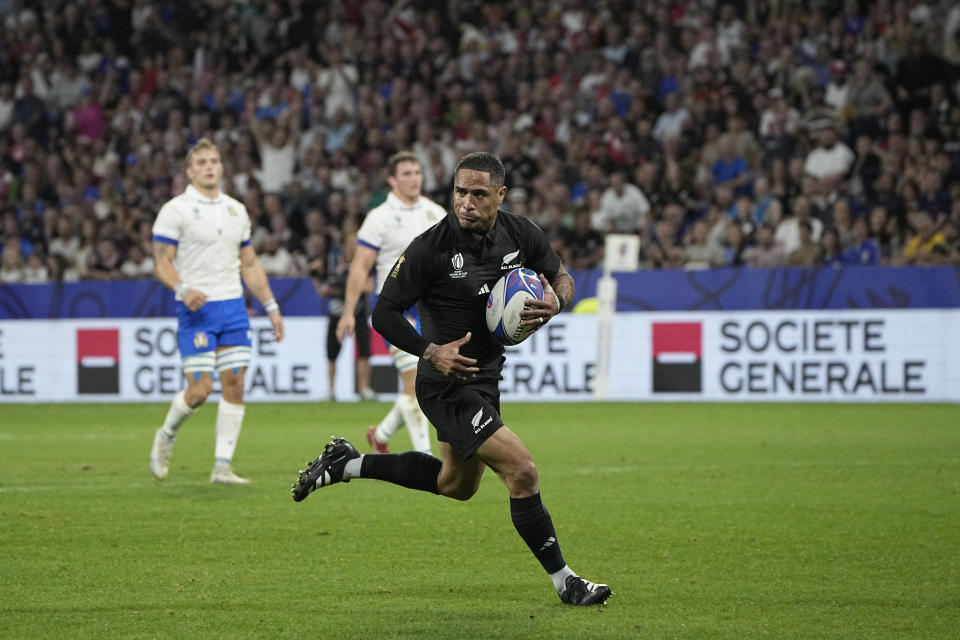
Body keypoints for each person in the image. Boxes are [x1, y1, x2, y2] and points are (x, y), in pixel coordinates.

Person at [292, 152, 612, 607]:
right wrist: (431, 351)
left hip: (485, 376)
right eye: (460, 192)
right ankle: (567, 582)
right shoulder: (431, 248)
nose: (466, 202)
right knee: (522, 471)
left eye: (478, 194)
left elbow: (561, 277)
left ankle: (346, 463)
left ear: (500, 196)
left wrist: (557, 302)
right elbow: (383, 313)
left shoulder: (521, 233)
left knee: (455, 485)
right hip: (444, 383)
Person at [149, 138, 285, 484]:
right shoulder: (175, 210)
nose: (210, 167)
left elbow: (250, 263)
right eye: (202, 163)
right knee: (199, 391)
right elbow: (161, 262)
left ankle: (222, 467)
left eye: (214, 161)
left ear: (221, 167)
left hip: (233, 308)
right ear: (190, 171)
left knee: (235, 384)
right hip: (197, 310)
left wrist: (271, 307)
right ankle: (165, 435)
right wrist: (182, 288)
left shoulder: (236, 210)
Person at [336, 151, 446, 454]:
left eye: (417, 172)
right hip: (396, 310)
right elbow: (360, 266)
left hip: (432, 310)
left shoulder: (436, 213)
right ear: (392, 180)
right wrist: (348, 312)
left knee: (428, 382)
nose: (414, 179)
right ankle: (425, 458)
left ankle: (381, 435)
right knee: (415, 383)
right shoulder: (379, 217)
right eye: (407, 173)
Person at [311, 230, 374, 402]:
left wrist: (350, 288)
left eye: (356, 244)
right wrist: (318, 280)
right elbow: (319, 282)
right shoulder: (332, 261)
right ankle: (330, 390)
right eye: (351, 244)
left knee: (364, 350)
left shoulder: (364, 262)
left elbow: (370, 286)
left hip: (359, 311)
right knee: (332, 351)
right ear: (345, 245)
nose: (353, 247)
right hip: (337, 311)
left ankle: (364, 388)